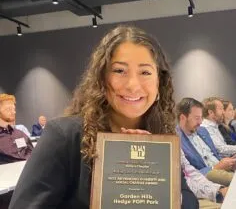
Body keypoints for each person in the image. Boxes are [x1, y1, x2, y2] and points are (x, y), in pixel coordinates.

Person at [9, 25, 198, 209]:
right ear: (101, 78)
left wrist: (163, 189)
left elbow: (188, 199)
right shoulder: (65, 136)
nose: (133, 85)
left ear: (159, 82)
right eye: (119, 70)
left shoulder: (161, 137)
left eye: (145, 72)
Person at [176, 97, 236, 186]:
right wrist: (215, 167)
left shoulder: (202, 130)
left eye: (201, 118)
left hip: (221, 169)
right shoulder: (175, 140)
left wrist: (227, 163)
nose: (200, 122)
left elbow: (215, 154)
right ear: (182, 118)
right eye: (197, 118)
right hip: (206, 176)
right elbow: (188, 175)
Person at [0, 94, 33, 165]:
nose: (14, 112)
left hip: (28, 171)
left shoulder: (20, 134)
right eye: (8, 109)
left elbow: (32, 153)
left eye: (14, 109)